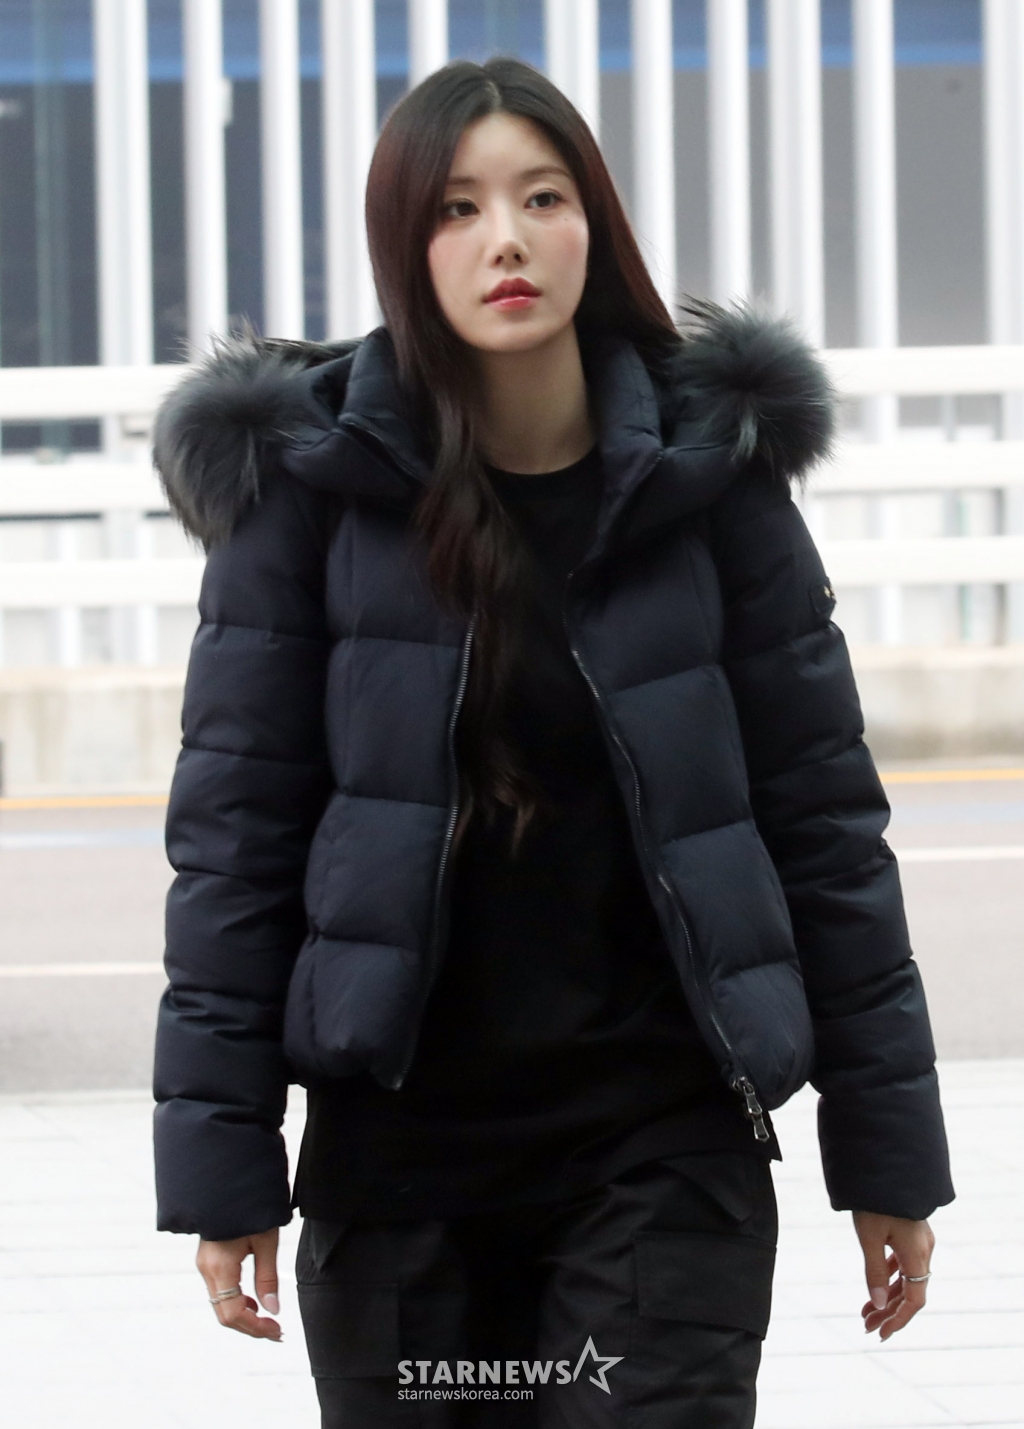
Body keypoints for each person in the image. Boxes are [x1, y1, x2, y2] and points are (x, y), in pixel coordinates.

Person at [151, 56, 953, 1428]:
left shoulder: (713, 485)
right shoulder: (312, 501)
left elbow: (825, 826)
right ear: (405, 249)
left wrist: (887, 1153)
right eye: (457, 210)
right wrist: (225, 1167)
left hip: (662, 1147)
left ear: (598, 225)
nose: (506, 240)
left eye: (542, 197)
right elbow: (235, 850)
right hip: (400, 1162)